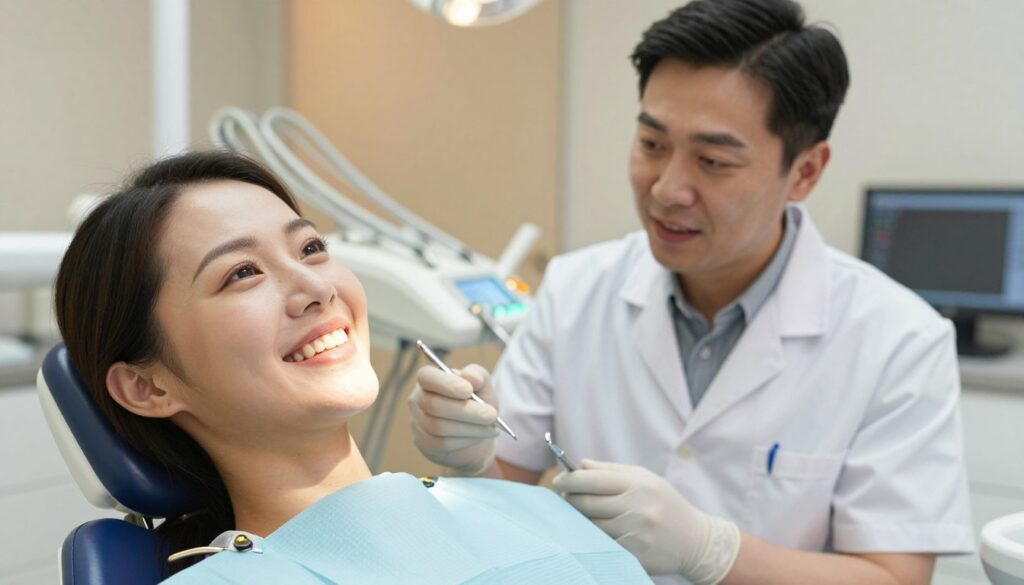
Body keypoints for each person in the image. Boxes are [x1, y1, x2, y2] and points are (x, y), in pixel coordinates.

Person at [407, 0, 975, 584]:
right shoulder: (578, 290)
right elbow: (506, 491)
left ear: (804, 171)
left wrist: (713, 551)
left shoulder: (899, 339)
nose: (669, 189)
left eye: (712, 160)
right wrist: (471, 458)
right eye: (652, 145)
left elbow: (895, 577)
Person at [53, 151, 652, 584]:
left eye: (310, 248)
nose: (314, 287)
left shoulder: (535, 508)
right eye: (242, 273)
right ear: (146, 385)